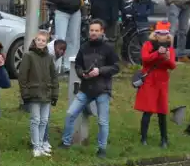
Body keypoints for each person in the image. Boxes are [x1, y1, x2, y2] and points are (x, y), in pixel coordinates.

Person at [58, 20, 119, 157]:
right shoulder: (84, 47)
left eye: (96, 31)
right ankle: (66, 142)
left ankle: (101, 148)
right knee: (70, 114)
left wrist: (100, 70)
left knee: (102, 121)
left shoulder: (108, 48)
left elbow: (116, 67)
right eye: (92, 30)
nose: (93, 33)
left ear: (102, 31)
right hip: (85, 88)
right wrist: (82, 73)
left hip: (102, 89)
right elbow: (78, 65)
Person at [134, 21, 177, 148]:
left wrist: (167, 58)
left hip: (162, 81)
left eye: (165, 34)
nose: (162, 36)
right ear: (155, 34)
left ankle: (164, 139)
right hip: (149, 80)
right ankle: (143, 138)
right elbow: (145, 59)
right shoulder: (148, 45)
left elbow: (173, 66)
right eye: (159, 33)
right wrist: (158, 53)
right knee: (148, 110)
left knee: (162, 111)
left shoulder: (170, 48)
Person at [18, 30, 58, 157]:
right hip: (34, 93)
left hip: (46, 93)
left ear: (47, 43)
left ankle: (41, 144)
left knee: (44, 120)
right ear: (35, 41)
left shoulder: (49, 57)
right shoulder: (28, 56)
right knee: (35, 119)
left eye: (43, 40)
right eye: (38, 40)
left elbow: (54, 77)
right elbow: (22, 76)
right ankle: (36, 146)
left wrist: (55, 94)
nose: (41, 42)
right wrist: (25, 93)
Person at [46, 0, 85, 73]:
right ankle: (56, 67)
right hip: (61, 12)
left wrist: (80, 2)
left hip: (75, 13)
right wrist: (62, 1)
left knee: (73, 39)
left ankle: (69, 66)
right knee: (60, 39)